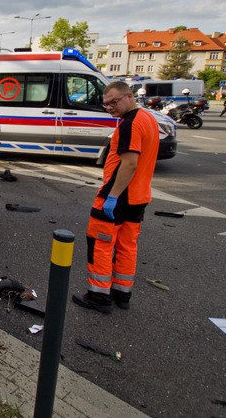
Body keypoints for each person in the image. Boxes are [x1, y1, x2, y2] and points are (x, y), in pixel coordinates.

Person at [73, 82, 159, 313]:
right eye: (106, 104)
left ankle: (99, 297)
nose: (110, 107)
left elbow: (129, 164)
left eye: (114, 102)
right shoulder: (147, 118)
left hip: (119, 195)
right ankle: (122, 292)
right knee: (127, 245)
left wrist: (112, 196)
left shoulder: (129, 125)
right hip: (139, 196)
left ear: (128, 96)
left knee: (100, 243)